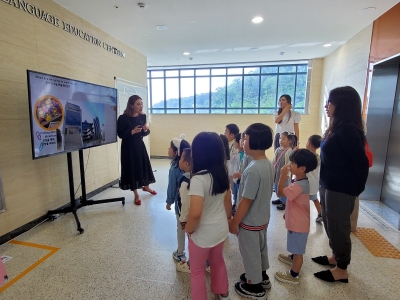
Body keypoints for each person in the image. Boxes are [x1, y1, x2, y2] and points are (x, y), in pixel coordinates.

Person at [312, 86, 369, 283]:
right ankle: (335, 256)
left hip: (341, 188)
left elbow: (361, 164)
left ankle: (342, 269)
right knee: (330, 223)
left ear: (341, 104)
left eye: (330, 102)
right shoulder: (336, 126)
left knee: (339, 226)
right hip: (329, 185)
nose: (327, 106)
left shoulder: (348, 130)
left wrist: (354, 190)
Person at [229, 123, 274, 300]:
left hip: (249, 221)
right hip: (262, 218)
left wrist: (234, 222)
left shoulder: (253, 169)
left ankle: (254, 286)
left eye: (245, 138)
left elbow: (246, 200)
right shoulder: (266, 164)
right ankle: (262, 277)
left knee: (250, 252)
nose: (242, 141)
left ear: (254, 141)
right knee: (260, 249)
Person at [185, 132, 232, 300]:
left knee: (197, 271)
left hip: (202, 234)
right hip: (220, 229)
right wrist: (228, 219)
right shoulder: (222, 173)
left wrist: (189, 229)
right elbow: (228, 202)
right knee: (218, 261)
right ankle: (224, 292)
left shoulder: (198, 180)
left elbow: (195, 213)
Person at [275, 149, 318, 285]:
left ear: (302, 168)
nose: (289, 165)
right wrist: (288, 213)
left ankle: (293, 275)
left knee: (299, 251)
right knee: (295, 246)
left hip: (298, 225)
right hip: (297, 222)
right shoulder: (301, 181)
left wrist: (282, 176)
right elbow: (295, 201)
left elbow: (280, 192)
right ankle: (292, 257)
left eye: (293, 163)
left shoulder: (299, 185)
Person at [176, 148, 212, 275]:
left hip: (192, 220)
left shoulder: (186, 182)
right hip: (205, 218)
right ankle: (207, 264)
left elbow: (186, 205)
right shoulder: (204, 177)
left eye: (180, 158)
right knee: (204, 243)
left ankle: (192, 264)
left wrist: (183, 221)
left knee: (193, 243)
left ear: (186, 163)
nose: (178, 160)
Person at [117, 95, 156, 205]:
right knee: (132, 169)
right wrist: (131, 132)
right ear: (131, 105)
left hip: (139, 145)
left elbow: (144, 133)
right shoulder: (123, 118)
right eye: (138, 104)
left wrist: (146, 130)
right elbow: (120, 134)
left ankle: (146, 186)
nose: (141, 106)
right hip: (128, 148)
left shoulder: (142, 116)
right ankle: (136, 194)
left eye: (141, 104)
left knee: (144, 166)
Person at [166, 134, 191, 262]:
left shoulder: (174, 168)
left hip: (180, 204)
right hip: (194, 203)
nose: (168, 150)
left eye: (170, 148)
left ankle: (180, 252)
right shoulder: (192, 165)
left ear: (176, 152)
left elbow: (172, 186)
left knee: (181, 226)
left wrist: (169, 201)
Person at [271, 132, 296, 210]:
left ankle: (285, 202)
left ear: (289, 141)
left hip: (284, 173)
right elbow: (274, 160)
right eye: (280, 138)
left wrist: (287, 174)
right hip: (277, 172)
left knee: (284, 186)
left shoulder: (289, 151)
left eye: (283, 139)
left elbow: (289, 163)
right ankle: (280, 199)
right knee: (277, 184)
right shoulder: (278, 149)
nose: (280, 140)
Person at [305, 134, 323, 222]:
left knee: (304, 200)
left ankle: (304, 215)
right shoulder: (318, 157)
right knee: (315, 199)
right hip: (315, 182)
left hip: (306, 182)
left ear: (308, 143)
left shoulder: (306, 156)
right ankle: (320, 213)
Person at [224, 124, 240, 195]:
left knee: (234, 189)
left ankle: (236, 204)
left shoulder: (235, 145)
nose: (224, 133)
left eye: (226, 131)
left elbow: (234, 159)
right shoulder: (229, 144)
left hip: (233, 171)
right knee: (232, 189)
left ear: (232, 135)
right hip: (230, 171)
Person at [231, 132, 242, 214]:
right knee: (235, 193)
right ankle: (235, 204)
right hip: (235, 179)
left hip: (239, 179)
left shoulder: (243, 155)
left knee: (239, 194)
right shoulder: (237, 153)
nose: (233, 143)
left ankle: (238, 207)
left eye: (235, 142)